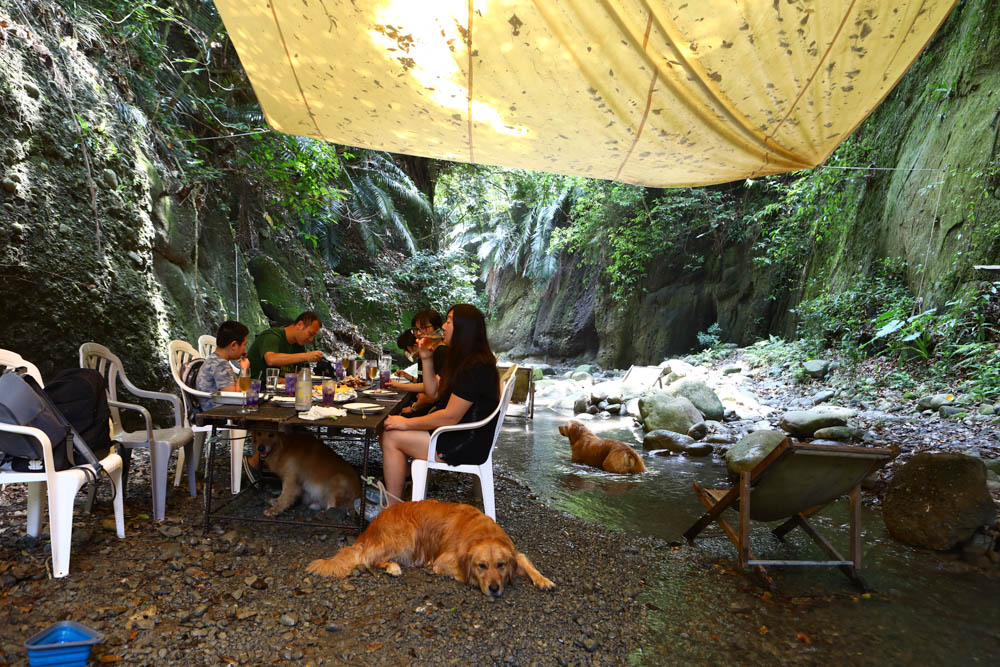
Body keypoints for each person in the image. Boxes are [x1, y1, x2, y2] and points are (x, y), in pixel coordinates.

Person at [379, 304, 500, 507]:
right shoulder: (463, 359)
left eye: (449, 321)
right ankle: (398, 495)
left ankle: (392, 509)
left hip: (464, 442)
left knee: (391, 435)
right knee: (391, 430)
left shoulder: (475, 366)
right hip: (456, 434)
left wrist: (405, 423)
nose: (443, 326)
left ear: (464, 328)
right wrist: (426, 358)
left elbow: (449, 416)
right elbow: (433, 392)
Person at [386, 310, 448, 416]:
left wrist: (399, 386)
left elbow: (434, 389)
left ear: (437, 328)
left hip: (434, 410)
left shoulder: (442, 352)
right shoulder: (428, 353)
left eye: (424, 328)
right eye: (416, 329)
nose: (419, 333)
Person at [247, 311, 324, 380]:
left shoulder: (299, 345)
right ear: (299, 325)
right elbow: (271, 359)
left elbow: (301, 374)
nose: (311, 339)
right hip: (256, 390)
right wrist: (306, 356)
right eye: (310, 334)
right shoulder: (271, 336)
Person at [195, 320, 251, 412]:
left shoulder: (216, 359)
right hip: (217, 413)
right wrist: (244, 370)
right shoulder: (220, 364)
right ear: (233, 345)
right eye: (244, 344)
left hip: (219, 409)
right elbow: (234, 398)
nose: (245, 349)